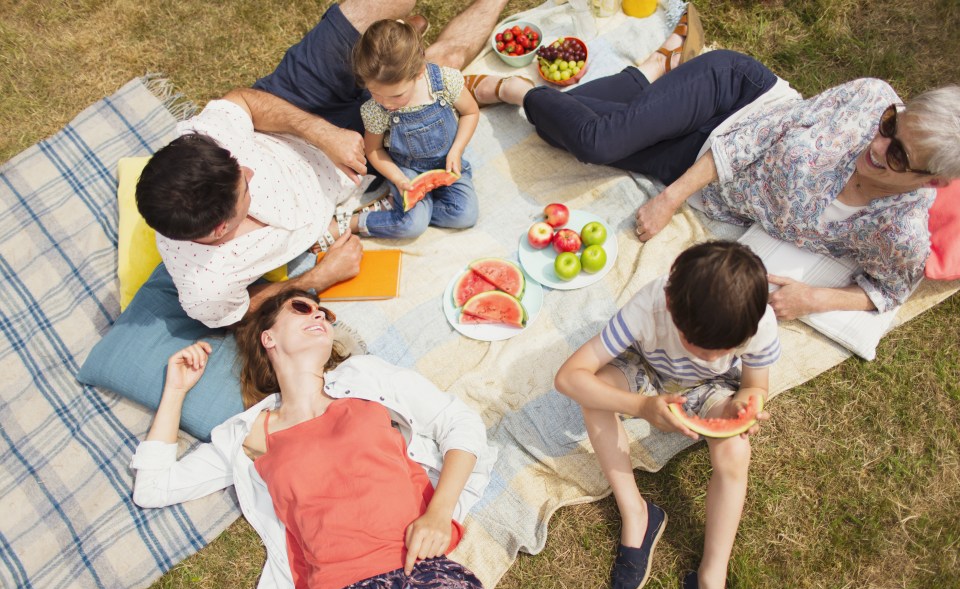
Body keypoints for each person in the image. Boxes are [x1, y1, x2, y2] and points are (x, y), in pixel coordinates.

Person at [468, 5, 960, 319]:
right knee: (598, 142)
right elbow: (756, 135)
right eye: (892, 123)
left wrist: (817, 298)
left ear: (932, 181)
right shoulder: (868, 98)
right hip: (735, 102)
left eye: (897, 154)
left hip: (702, 169)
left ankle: (652, 73)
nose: (878, 143)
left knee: (565, 135)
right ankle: (515, 88)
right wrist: (670, 198)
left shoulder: (899, 233)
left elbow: (889, 289)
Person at [130, 288, 504, 589]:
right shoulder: (249, 433)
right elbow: (154, 488)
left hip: (422, 570)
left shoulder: (365, 377)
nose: (319, 315)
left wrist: (439, 512)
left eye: (323, 313)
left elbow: (460, 423)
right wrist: (175, 390)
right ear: (269, 338)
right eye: (301, 308)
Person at [135, 0, 509, 328]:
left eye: (238, 165)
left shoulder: (199, 147)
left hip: (290, 103)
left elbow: (243, 102)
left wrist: (320, 131)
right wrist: (319, 276)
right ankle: (408, 50)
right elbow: (241, 310)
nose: (248, 171)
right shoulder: (205, 288)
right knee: (439, 67)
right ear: (220, 229)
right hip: (353, 163)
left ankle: (396, 42)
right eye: (244, 185)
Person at [554, 241, 780, 589]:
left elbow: (754, 384)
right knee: (593, 396)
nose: (713, 357)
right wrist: (640, 406)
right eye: (702, 347)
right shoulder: (650, 306)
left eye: (725, 350)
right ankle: (637, 512)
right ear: (673, 309)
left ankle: (710, 578)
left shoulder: (759, 321)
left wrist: (742, 407)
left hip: (710, 391)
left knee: (735, 454)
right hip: (647, 372)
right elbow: (569, 376)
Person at [347, 19, 480, 239]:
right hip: (406, 170)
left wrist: (456, 150)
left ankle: (408, 211)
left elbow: (470, 113)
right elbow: (374, 151)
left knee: (466, 216)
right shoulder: (375, 110)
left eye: (396, 95)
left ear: (419, 72)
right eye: (374, 92)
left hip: (448, 164)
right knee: (412, 227)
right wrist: (398, 179)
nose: (385, 102)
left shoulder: (444, 82)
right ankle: (358, 222)